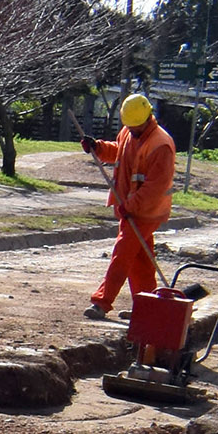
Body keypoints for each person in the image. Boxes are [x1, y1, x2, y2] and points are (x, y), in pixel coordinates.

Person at [80, 92, 176, 318]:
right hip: (131, 209)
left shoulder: (160, 145)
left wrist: (130, 206)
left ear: (148, 118)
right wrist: (98, 147)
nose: (131, 131)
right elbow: (119, 151)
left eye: (135, 127)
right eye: (129, 127)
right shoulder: (130, 130)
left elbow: (155, 187)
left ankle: (102, 302)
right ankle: (147, 308)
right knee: (139, 260)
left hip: (146, 211)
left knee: (122, 255)